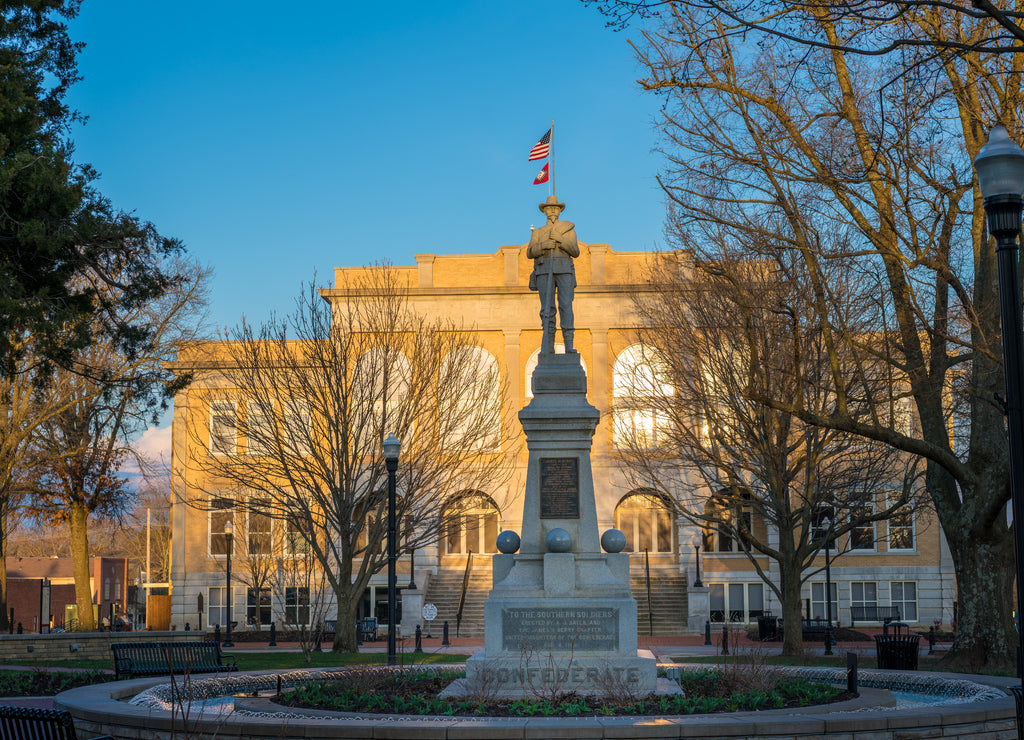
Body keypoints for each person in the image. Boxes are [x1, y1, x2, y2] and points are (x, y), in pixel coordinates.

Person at [528, 195, 579, 352]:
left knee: (565, 306)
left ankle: (569, 345)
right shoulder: (538, 232)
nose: (552, 211)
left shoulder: (568, 230)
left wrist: (561, 240)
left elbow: (575, 251)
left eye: (555, 208)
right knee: (547, 309)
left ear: (559, 211)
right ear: (544, 212)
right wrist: (543, 245)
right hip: (544, 270)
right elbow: (530, 252)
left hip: (564, 270)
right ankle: (548, 346)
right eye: (549, 208)